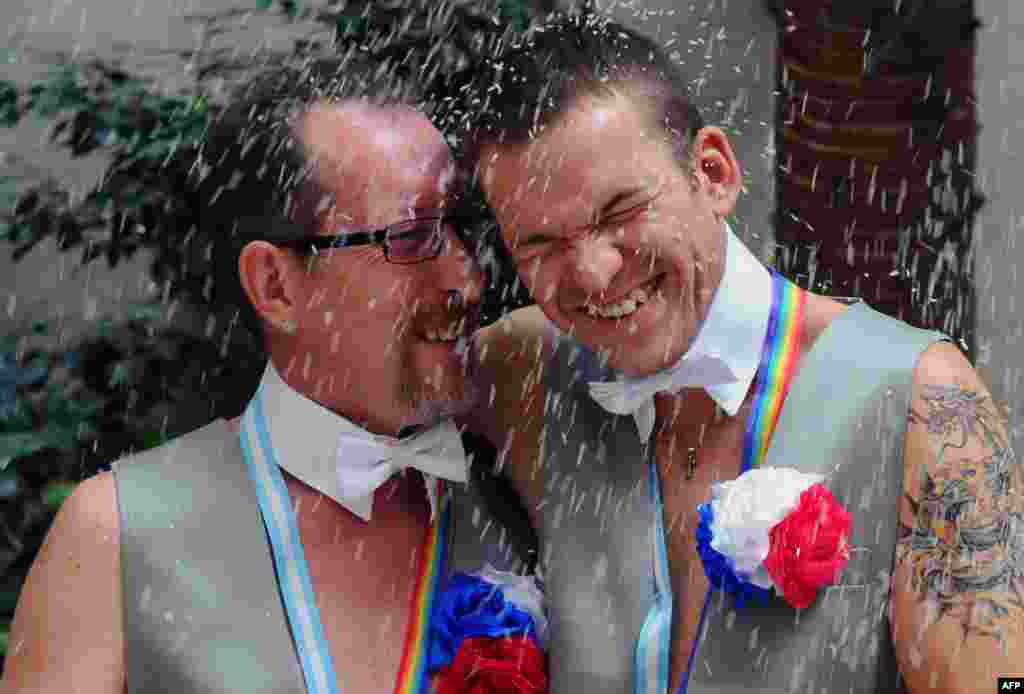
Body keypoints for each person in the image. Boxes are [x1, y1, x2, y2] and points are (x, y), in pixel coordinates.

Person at [464, 12, 1023, 694]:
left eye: (619, 213)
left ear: (715, 173)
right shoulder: (522, 369)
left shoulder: (919, 398)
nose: (592, 273)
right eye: (540, 244)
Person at [1, 61, 529, 693]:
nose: (468, 281)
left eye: (461, 228)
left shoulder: (524, 483)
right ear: (274, 285)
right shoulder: (118, 537)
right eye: (412, 238)